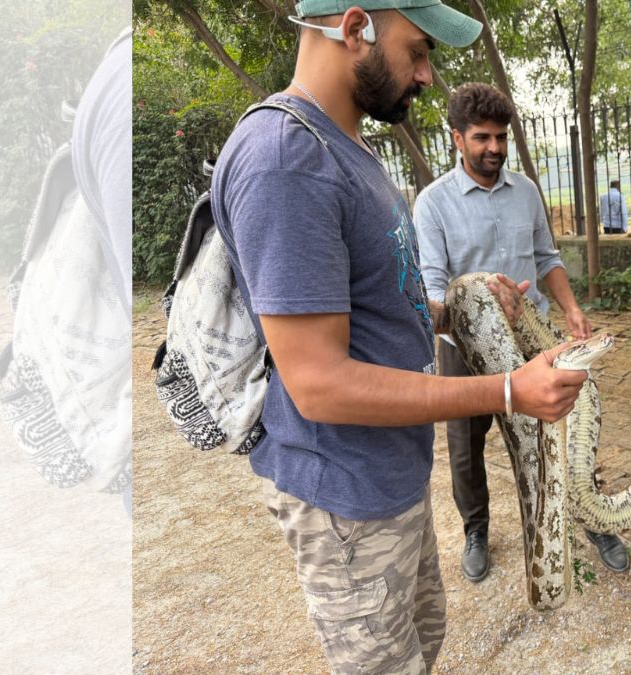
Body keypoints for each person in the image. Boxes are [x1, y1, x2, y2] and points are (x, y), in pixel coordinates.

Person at [209, 3, 587, 672]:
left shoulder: (347, 147)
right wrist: (507, 388)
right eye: (417, 50)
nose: (426, 74)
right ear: (355, 30)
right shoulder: (288, 162)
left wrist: (462, 309)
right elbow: (319, 383)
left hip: (388, 478)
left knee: (422, 642)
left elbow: (380, 309)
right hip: (343, 494)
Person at [414, 82, 629, 580]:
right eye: (482, 137)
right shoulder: (433, 204)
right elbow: (433, 288)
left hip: (534, 339)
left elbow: (548, 258)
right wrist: (483, 301)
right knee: (466, 447)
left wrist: (571, 310)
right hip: (462, 347)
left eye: (501, 137)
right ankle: (476, 530)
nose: (494, 148)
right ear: (457, 138)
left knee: (565, 427)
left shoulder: (526, 191)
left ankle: (589, 517)